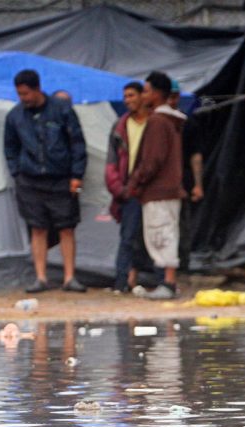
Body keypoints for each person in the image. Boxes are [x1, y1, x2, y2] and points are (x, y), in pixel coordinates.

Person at [3, 69, 87, 293]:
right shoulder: (15, 116)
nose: (23, 99)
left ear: (37, 88)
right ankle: (41, 278)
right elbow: (10, 147)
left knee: (66, 227)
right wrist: (17, 173)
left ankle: (70, 277)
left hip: (60, 179)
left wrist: (77, 175)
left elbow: (77, 143)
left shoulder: (61, 110)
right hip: (30, 181)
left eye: (26, 94)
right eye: (20, 94)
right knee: (37, 228)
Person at [127, 71, 187, 300]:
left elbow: (152, 159)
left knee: (161, 233)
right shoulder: (171, 121)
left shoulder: (157, 122)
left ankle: (168, 283)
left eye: (147, 90)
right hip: (168, 189)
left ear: (157, 93)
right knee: (166, 231)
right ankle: (167, 281)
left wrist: (136, 181)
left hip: (158, 190)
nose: (144, 95)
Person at [105, 81, 148, 293]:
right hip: (128, 191)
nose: (128, 100)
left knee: (154, 236)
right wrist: (118, 188)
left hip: (150, 189)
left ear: (143, 96)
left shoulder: (154, 123)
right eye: (126, 97)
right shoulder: (120, 126)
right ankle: (121, 282)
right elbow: (111, 161)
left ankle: (155, 280)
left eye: (132, 95)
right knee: (128, 237)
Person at [167, 79, 204, 271]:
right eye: (168, 97)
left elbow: (195, 156)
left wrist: (198, 184)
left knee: (181, 224)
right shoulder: (155, 122)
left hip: (183, 182)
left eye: (174, 97)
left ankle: (182, 264)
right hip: (160, 184)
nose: (171, 101)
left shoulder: (186, 124)